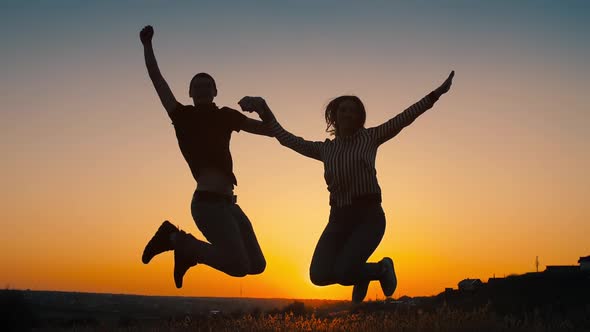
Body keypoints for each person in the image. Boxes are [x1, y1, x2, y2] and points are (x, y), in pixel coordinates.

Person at [239, 71, 454, 302]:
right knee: (318, 276)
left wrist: (436, 94)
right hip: (338, 219)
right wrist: (264, 109)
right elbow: (286, 138)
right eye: (343, 110)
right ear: (334, 115)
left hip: (368, 217)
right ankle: (366, 272)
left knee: (343, 273)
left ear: (360, 117)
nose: (348, 114)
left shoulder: (371, 137)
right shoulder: (325, 149)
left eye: (353, 110)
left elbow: (405, 117)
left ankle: (380, 268)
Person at [139, 25, 270, 288]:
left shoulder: (225, 115)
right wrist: (147, 45)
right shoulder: (182, 115)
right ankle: (174, 239)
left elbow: (269, 131)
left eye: (206, 83)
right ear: (189, 93)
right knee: (238, 267)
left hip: (229, 205)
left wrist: (262, 106)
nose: (201, 85)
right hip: (207, 204)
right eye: (195, 84)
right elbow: (158, 81)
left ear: (215, 91)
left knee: (257, 265)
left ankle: (188, 254)